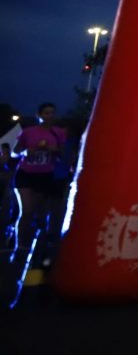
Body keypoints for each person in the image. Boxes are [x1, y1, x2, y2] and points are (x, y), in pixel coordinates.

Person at [10, 103, 67, 258]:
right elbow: (14, 152)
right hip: (25, 174)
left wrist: (53, 150)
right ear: (39, 115)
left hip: (45, 176)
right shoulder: (28, 132)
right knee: (27, 211)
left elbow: (63, 154)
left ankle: (35, 241)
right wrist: (26, 151)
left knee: (39, 213)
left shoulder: (58, 133)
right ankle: (20, 246)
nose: (50, 116)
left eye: (52, 113)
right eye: (46, 113)